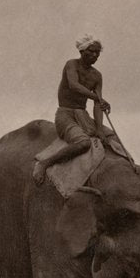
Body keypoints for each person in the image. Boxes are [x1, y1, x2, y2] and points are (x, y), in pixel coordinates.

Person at [33, 35, 113, 185]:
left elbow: (97, 105)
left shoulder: (97, 76)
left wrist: (100, 129)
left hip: (83, 116)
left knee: (110, 138)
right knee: (83, 143)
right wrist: (97, 98)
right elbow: (73, 85)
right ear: (82, 51)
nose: (95, 55)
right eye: (92, 51)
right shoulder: (71, 65)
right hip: (65, 114)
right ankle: (44, 163)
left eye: (98, 53)